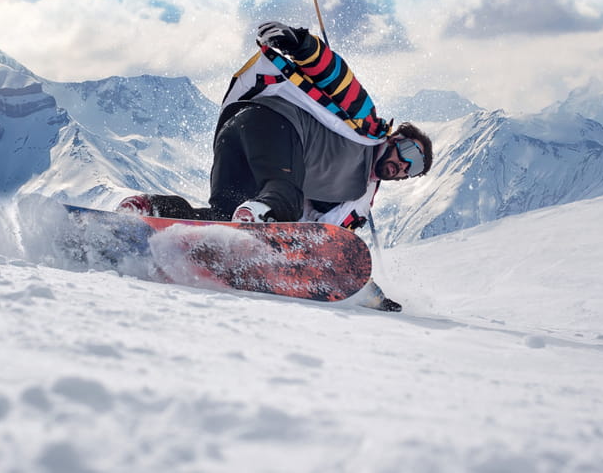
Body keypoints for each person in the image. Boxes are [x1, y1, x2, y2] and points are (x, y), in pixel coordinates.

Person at [119, 22, 433, 311]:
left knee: (220, 222)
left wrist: (371, 297)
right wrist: (301, 43)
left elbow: (328, 244)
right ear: (395, 138)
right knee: (284, 197)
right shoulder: (365, 127)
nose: (402, 165)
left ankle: (151, 212)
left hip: (235, 138)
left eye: (413, 168)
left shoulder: (354, 202)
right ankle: (258, 216)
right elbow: (337, 78)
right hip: (274, 121)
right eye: (407, 152)